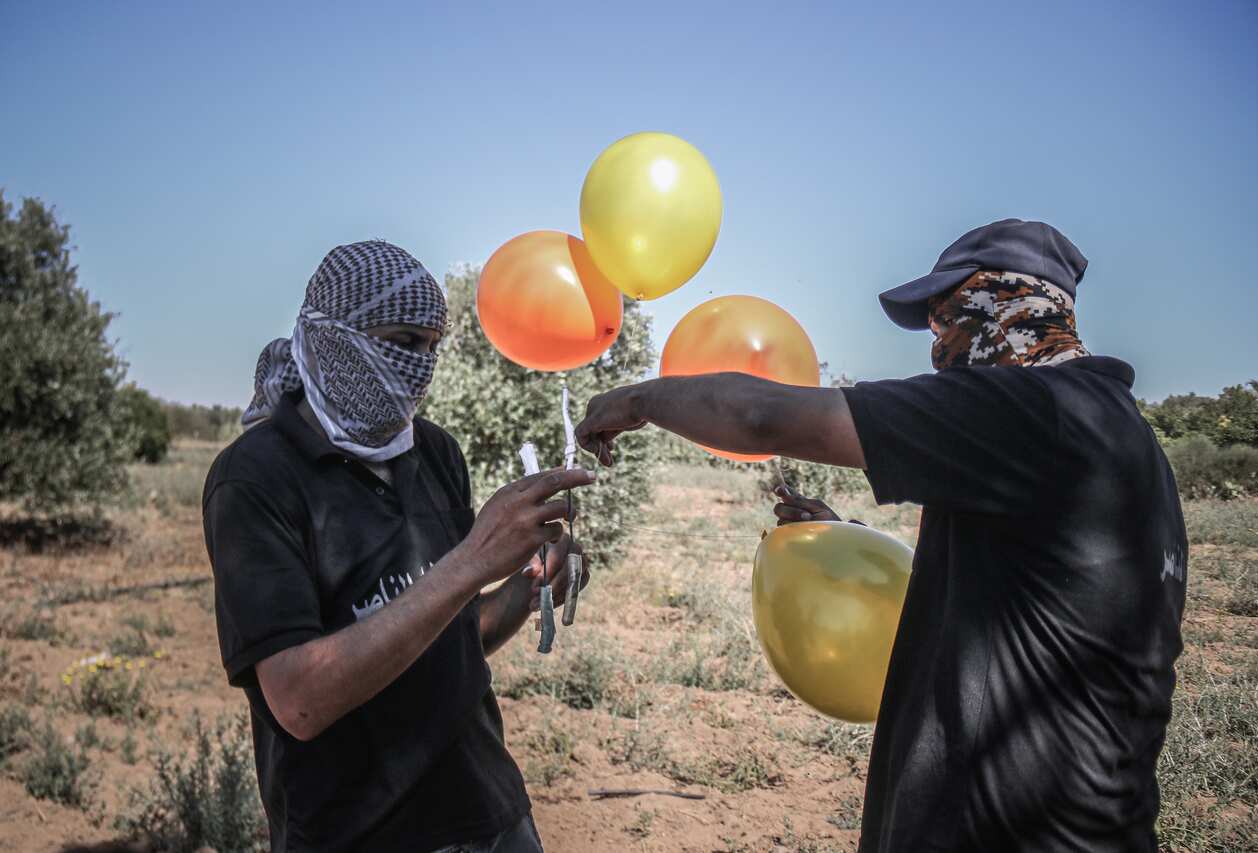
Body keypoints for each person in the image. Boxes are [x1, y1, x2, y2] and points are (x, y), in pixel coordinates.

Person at [575, 219, 1186, 852]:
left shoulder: (1037, 411)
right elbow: (1020, 590)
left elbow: (762, 418)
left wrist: (639, 399)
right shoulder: (1116, 434)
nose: (938, 344)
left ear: (1008, 303)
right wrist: (841, 539)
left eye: (948, 316)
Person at [203, 240, 593, 852]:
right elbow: (301, 701)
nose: (421, 365)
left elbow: (456, 638)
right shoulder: (255, 477)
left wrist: (526, 584)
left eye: (432, 347)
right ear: (332, 338)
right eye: (402, 343)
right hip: (358, 832)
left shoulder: (435, 452)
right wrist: (470, 562)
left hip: (491, 812)